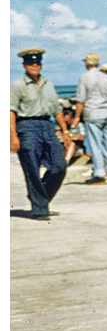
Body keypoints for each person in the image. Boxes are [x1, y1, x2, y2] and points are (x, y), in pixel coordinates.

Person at [10, 47, 68, 220]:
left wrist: (65, 131)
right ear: (24, 65)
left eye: (37, 62)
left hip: (47, 125)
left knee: (60, 166)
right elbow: (10, 111)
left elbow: (57, 109)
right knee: (32, 169)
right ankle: (40, 208)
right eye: (30, 63)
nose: (34, 65)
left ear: (41, 65)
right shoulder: (17, 85)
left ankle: (38, 196)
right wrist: (12, 136)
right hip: (26, 127)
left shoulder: (47, 83)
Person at [70, 51, 107, 183]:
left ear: (87, 63)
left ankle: (99, 174)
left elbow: (80, 99)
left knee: (96, 144)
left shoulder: (84, 77)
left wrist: (76, 117)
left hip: (93, 114)